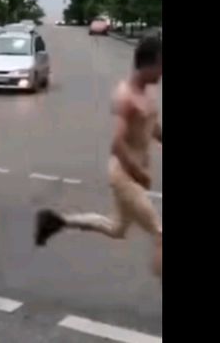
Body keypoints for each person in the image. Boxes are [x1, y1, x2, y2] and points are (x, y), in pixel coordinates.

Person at [34, 35, 163, 279]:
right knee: (159, 233)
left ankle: (57, 221)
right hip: (124, 175)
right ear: (150, 63)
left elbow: (152, 126)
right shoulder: (126, 96)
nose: (162, 72)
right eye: (161, 66)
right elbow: (117, 144)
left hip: (131, 174)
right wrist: (138, 173)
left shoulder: (148, 94)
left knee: (116, 228)